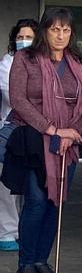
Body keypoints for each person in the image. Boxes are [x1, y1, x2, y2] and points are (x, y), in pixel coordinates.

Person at [5, 9, 82, 273]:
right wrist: (53, 129)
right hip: (35, 139)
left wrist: (72, 132)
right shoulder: (26, 58)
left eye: (66, 30)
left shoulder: (77, 62)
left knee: (56, 204)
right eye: (55, 29)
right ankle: (26, 264)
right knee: (36, 201)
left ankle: (42, 261)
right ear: (45, 31)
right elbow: (19, 99)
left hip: (68, 142)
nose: (60, 35)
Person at [0, 19, 37, 253]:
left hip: (37, 130)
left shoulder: (45, 62)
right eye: (20, 36)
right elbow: (14, 96)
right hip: (12, 130)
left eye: (29, 36)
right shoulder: (8, 63)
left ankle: (27, 232)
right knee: (7, 185)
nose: (24, 41)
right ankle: (7, 232)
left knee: (32, 184)